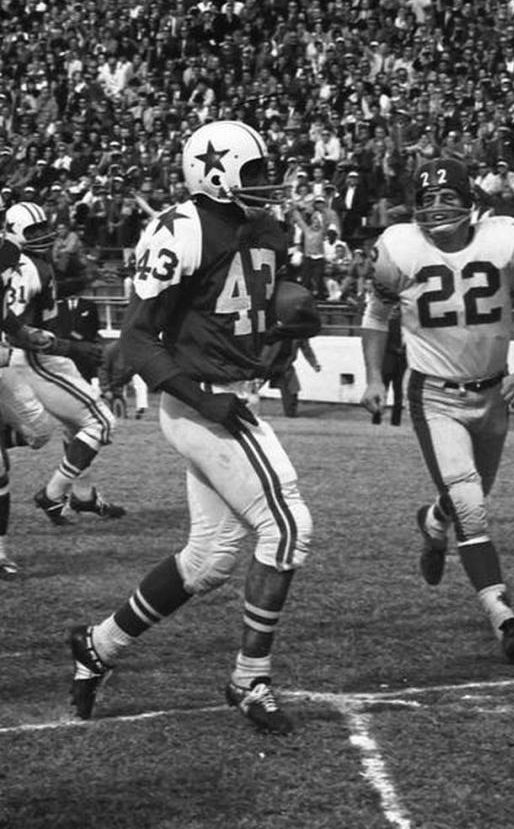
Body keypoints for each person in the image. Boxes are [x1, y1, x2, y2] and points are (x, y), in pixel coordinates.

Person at [67, 121, 319, 735]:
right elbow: (137, 337)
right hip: (195, 402)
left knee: (208, 561)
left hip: (228, 396)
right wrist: (201, 398)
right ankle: (249, 678)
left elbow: (259, 305)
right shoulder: (182, 228)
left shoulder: (263, 227)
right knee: (288, 529)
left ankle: (97, 646)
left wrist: (285, 326)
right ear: (215, 171)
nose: (265, 183)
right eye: (252, 171)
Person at [360, 158, 514, 663]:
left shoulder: (507, 241)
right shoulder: (398, 248)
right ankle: (502, 616)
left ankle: (432, 522)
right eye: (427, 200)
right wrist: (371, 378)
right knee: (472, 505)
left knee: (465, 497)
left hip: (494, 394)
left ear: (470, 201)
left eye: (447, 197)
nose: (437, 209)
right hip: (434, 395)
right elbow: (376, 313)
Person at [0, 201, 124, 525]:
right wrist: (73, 348)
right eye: (33, 230)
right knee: (102, 423)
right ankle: (53, 494)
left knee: (74, 427)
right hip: (37, 356)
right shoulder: (26, 267)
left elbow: (42, 300)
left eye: (44, 227)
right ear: (13, 232)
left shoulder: (27, 263)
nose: (42, 235)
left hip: (36, 355)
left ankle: (81, 496)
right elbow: (19, 327)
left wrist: (85, 281)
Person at [269, 338, 321, 418]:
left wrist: (314, 363)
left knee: (292, 389)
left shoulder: (299, 333)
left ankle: (291, 415)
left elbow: (306, 349)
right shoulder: (274, 328)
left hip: (285, 365)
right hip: (266, 363)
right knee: (250, 387)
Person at [372, 306, 406, 427]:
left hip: (394, 361)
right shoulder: (392, 324)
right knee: (392, 392)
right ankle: (387, 419)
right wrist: (398, 349)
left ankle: (382, 418)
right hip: (393, 360)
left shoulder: (390, 324)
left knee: (395, 392)